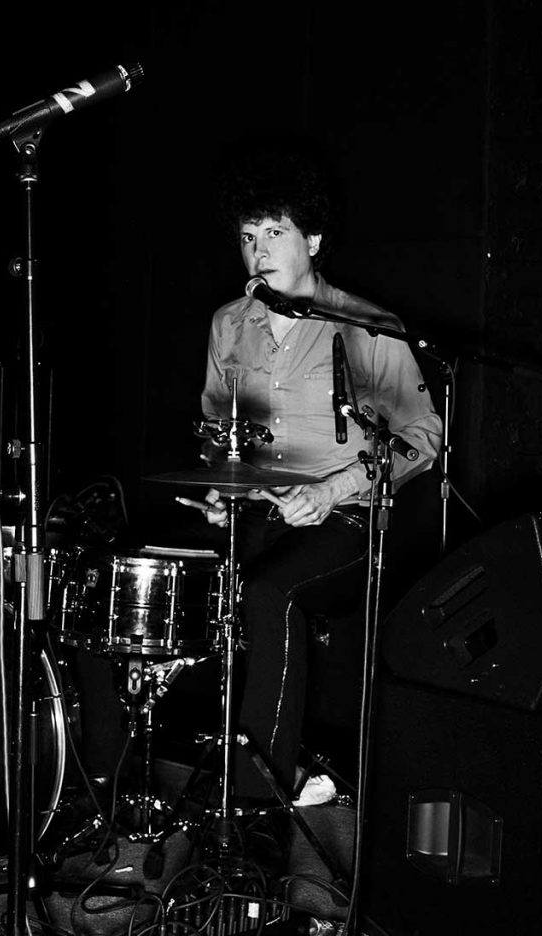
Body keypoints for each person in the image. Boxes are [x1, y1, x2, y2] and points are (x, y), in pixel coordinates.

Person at [199, 143, 442, 806]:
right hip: (260, 516)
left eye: (274, 232)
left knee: (272, 594)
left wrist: (333, 489)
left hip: (347, 517)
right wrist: (223, 492)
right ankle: (136, 777)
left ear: (312, 238)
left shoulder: (364, 326)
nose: (258, 250)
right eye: (247, 237)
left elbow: (422, 439)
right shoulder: (228, 326)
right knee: (161, 584)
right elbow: (221, 436)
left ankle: (256, 795)